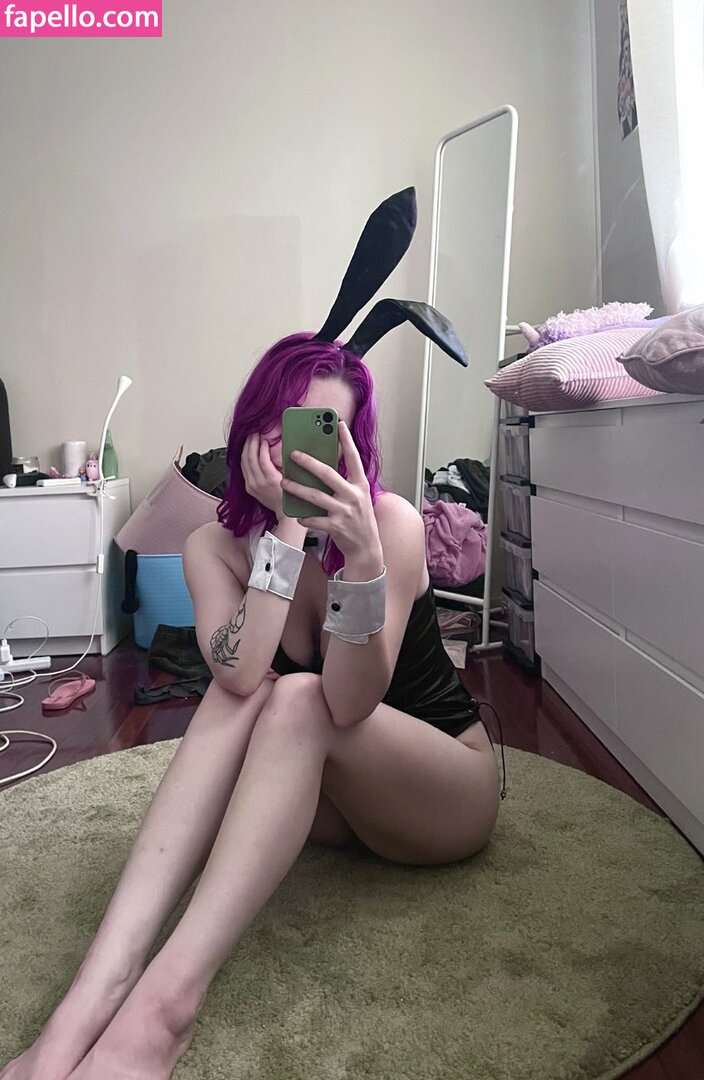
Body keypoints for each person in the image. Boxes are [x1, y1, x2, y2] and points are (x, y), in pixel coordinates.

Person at [1, 189, 503, 1080]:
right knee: (253, 696)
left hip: (440, 789)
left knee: (302, 698)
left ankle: (162, 1014)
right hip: (337, 811)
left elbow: (349, 701)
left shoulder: (388, 526)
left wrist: (356, 559)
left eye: (325, 433)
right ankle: (91, 997)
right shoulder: (212, 546)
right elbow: (234, 678)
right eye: (286, 422)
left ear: (351, 448)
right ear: (250, 427)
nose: (300, 450)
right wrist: (284, 535)